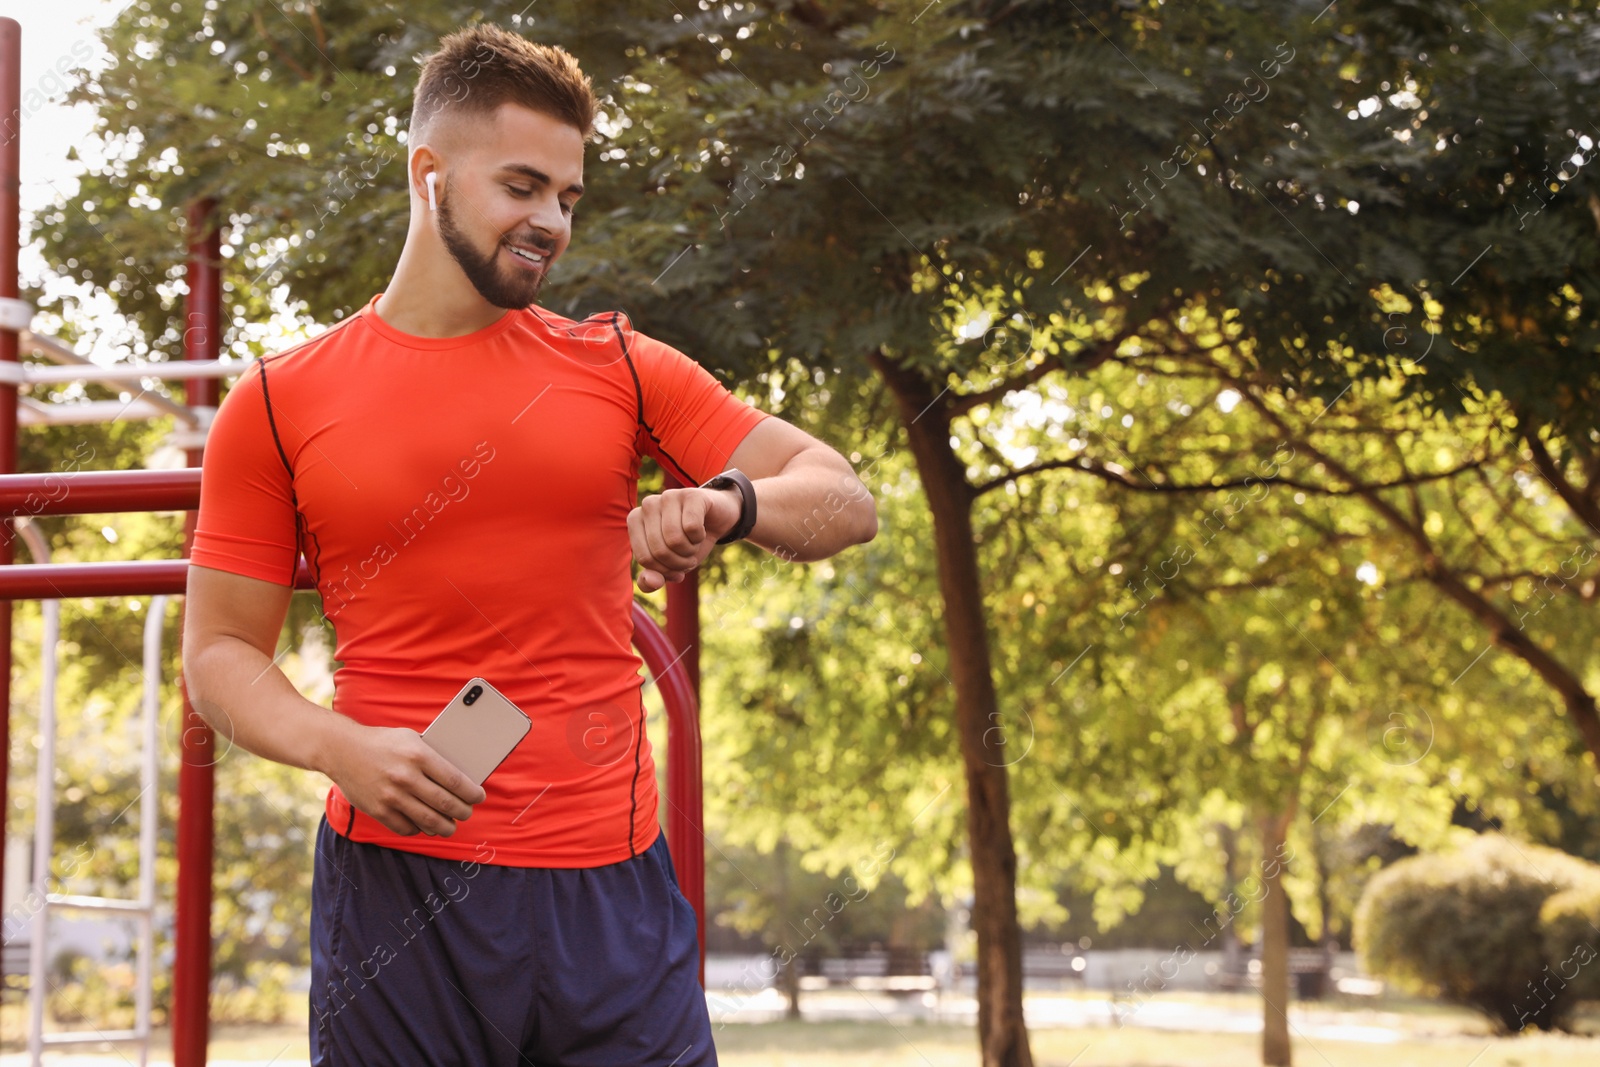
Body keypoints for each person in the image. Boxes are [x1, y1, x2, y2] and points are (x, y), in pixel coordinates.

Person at [181, 23, 877, 1067]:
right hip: (396, 892)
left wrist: (730, 503)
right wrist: (338, 745)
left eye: (567, 197)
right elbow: (218, 654)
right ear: (429, 173)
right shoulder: (278, 401)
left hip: (612, 895)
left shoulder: (620, 365)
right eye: (520, 186)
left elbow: (841, 497)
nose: (549, 220)